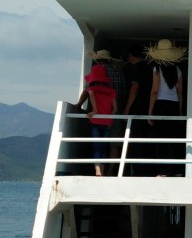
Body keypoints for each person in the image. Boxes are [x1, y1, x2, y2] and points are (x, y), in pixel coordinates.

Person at [75, 50, 118, 177]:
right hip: (107, 122)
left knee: (96, 146)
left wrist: (93, 110)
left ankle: (97, 170)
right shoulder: (111, 90)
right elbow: (115, 108)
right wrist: (110, 116)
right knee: (104, 146)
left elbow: (90, 95)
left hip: (96, 121)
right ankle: (103, 170)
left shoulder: (92, 88)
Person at [145, 39, 185, 176]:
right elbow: (180, 92)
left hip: (160, 104)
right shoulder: (178, 70)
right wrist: (179, 110)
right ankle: (178, 170)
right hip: (174, 105)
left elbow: (154, 91)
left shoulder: (157, 68)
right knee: (174, 139)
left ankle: (164, 170)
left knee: (161, 139)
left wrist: (150, 112)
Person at [121, 45, 149, 174]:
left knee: (135, 140)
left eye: (129, 56)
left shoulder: (138, 67)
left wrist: (127, 108)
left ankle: (136, 170)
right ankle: (143, 169)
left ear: (133, 55)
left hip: (137, 108)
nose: (128, 59)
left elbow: (134, 88)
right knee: (143, 139)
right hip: (148, 108)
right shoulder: (151, 67)